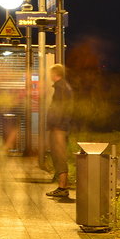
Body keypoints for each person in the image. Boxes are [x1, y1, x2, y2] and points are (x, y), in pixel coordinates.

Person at [46, 63, 74, 199]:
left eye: (51, 73)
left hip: (59, 128)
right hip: (61, 126)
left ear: (55, 74)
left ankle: (63, 187)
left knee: (59, 156)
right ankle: (63, 186)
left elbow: (60, 108)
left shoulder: (61, 87)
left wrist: (55, 124)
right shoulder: (63, 86)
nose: (49, 76)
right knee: (59, 155)